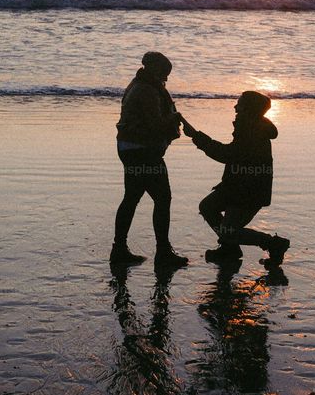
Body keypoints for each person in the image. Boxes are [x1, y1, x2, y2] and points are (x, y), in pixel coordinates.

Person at [181, 90, 290, 267]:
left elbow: (228, 154)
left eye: (239, 103)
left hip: (249, 191)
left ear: (248, 109)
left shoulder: (252, 129)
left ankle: (274, 244)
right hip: (235, 186)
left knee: (229, 231)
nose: (235, 106)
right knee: (208, 207)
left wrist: (196, 136)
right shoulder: (249, 125)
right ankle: (229, 248)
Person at [112, 52, 188, 268]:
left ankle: (119, 249)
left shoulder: (139, 84)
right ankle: (163, 252)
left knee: (132, 198)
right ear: (155, 69)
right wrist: (174, 118)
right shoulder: (146, 90)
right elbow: (155, 125)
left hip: (130, 148)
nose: (166, 78)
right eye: (164, 73)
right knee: (163, 199)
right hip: (142, 151)